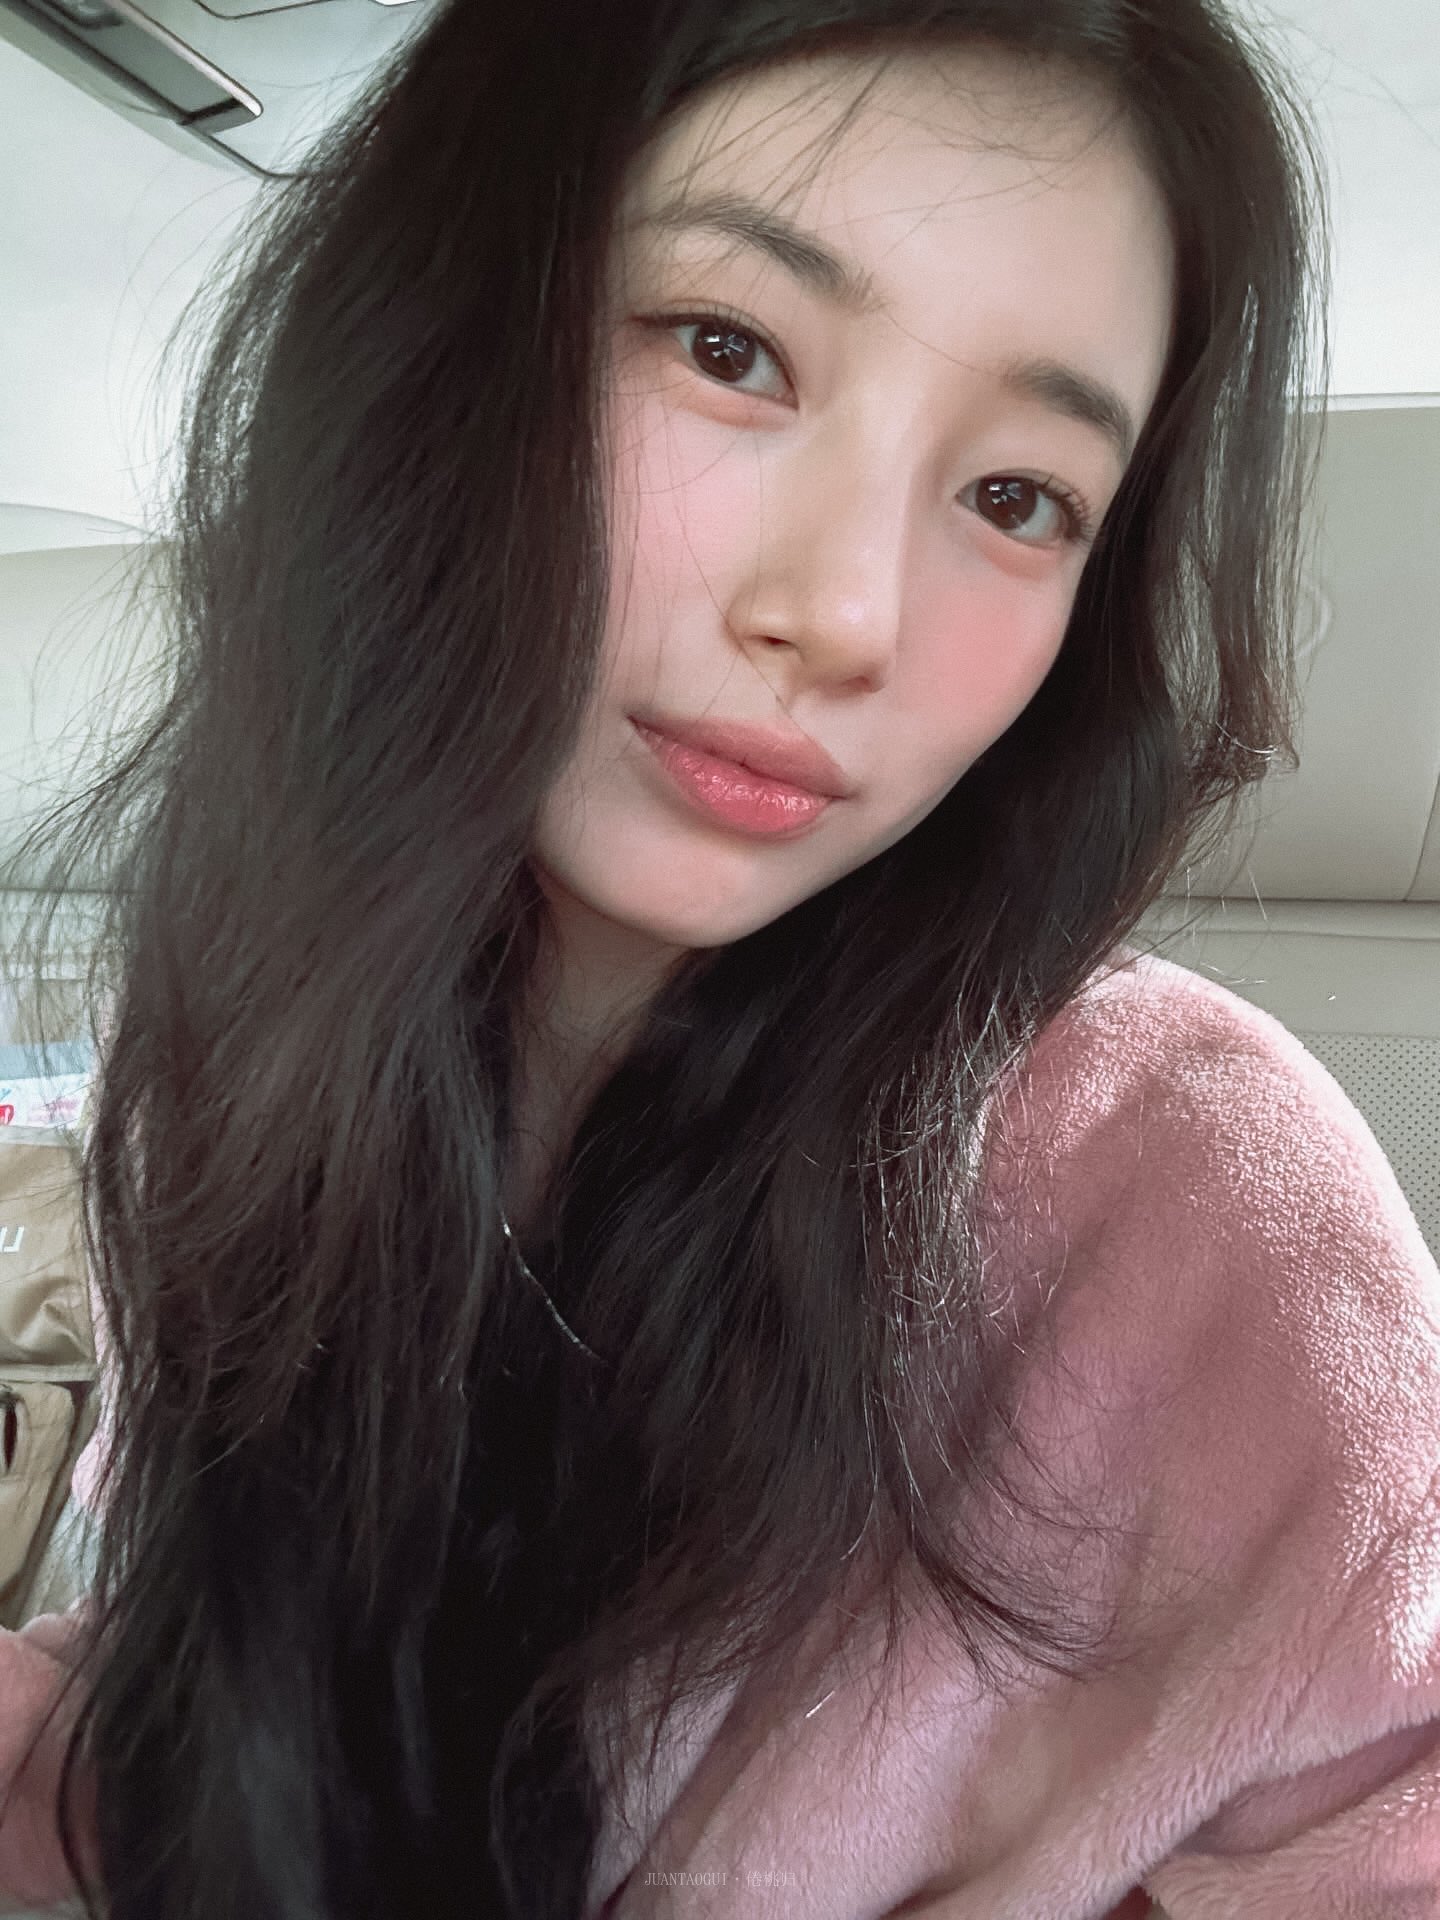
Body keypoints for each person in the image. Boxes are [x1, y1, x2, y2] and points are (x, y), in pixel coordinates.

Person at [1, 0, 1438, 1915]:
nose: (843, 614)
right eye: (728, 351)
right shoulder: (248, 1060)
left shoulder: (1194, 1193)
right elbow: (217, 1690)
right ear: (442, 354)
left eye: (1017, 498)